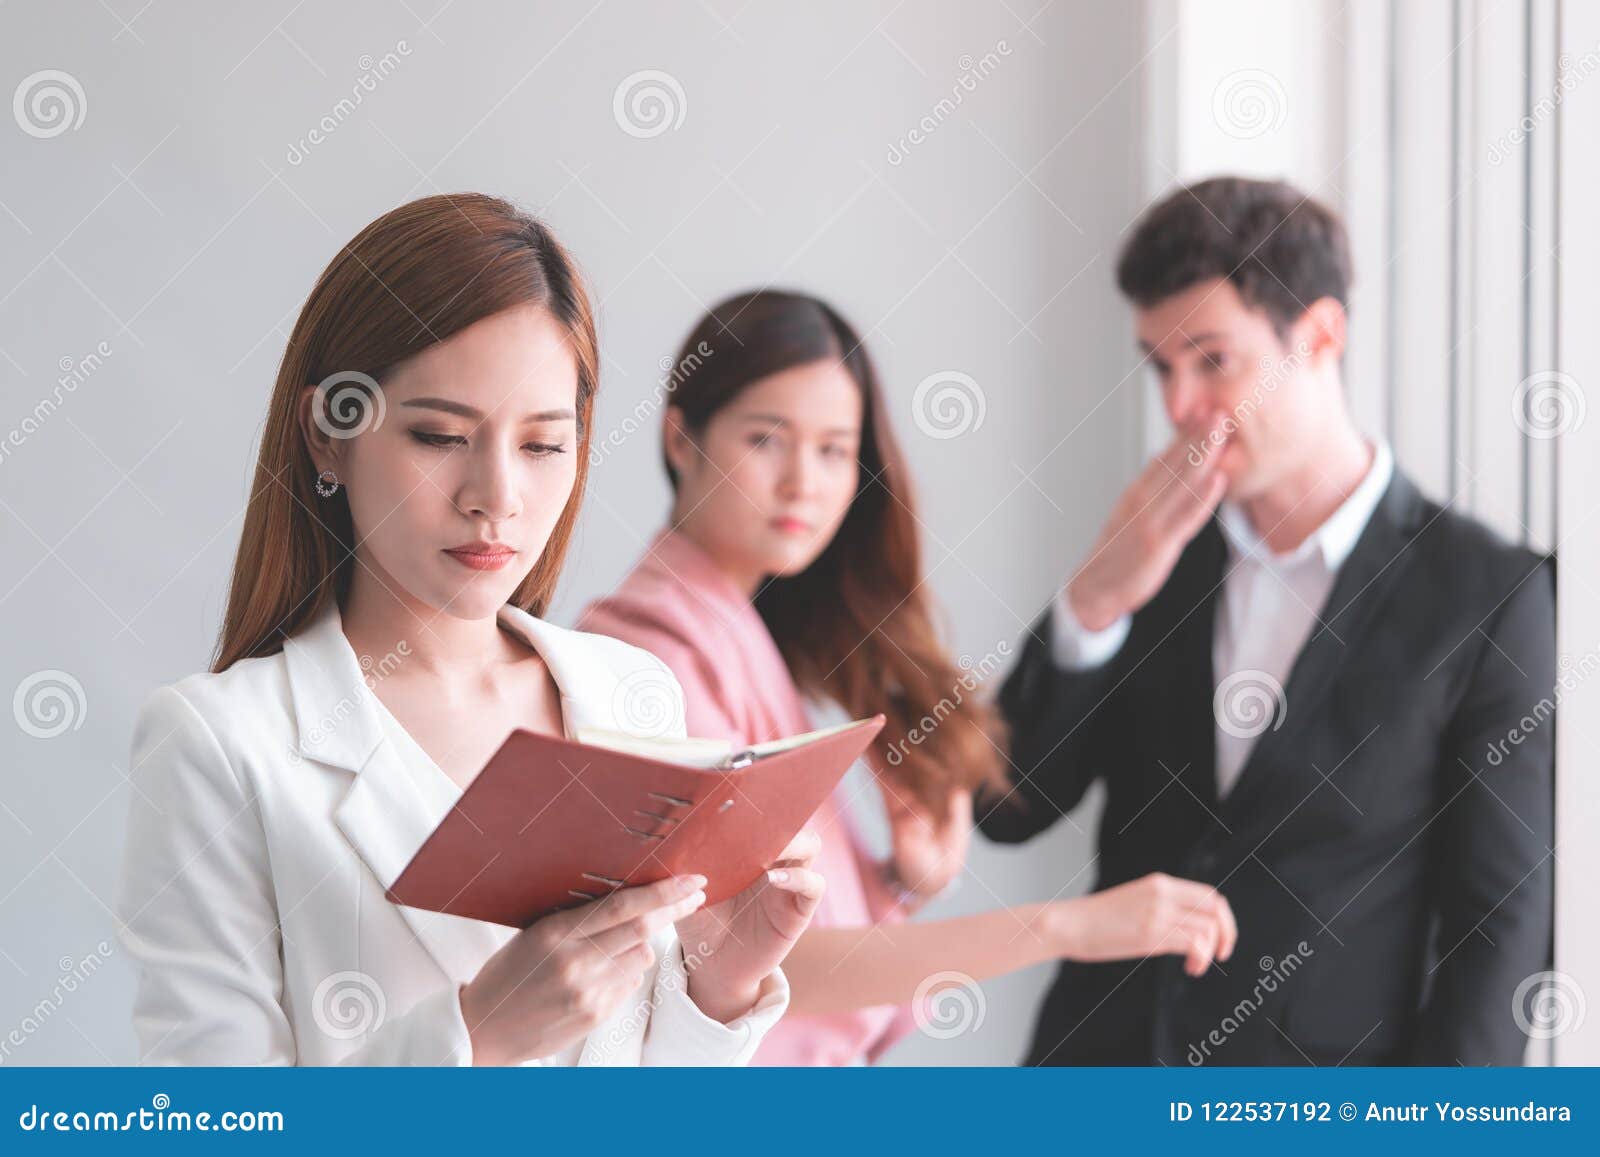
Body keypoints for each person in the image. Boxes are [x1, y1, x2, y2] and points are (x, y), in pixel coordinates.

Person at [117, 193, 824, 1066]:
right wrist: (476, 1035)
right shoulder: (219, 745)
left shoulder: (632, 692)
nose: (495, 495)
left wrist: (722, 983)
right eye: (440, 435)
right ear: (328, 437)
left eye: (541, 445)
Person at [980, 176, 1555, 1066]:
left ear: (1319, 335)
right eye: (1161, 365)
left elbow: (1500, 921)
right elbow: (1006, 807)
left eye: (1212, 360)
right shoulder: (1154, 551)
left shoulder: (1486, 593)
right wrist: (1094, 603)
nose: (1179, 407)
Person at [580, 288, 1238, 1066]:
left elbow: (774, 940)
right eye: (767, 439)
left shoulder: (740, 632)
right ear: (680, 438)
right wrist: (1066, 926)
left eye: (833, 450)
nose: (804, 482)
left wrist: (900, 881)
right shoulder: (645, 654)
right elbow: (740, 958)